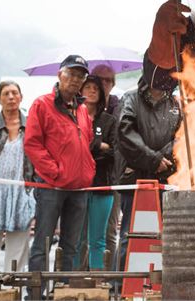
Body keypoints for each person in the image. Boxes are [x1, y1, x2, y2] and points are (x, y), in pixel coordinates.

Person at [24, 55, 95, 277]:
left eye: (80, 76)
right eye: (71, 74)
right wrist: (55, 172)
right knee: (42, 244)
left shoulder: (82, 109)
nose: (75, 80)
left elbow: (88, 139)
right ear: (60, 75)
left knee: (71, 247)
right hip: (51, 187)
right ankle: (37, 294)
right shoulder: (41, 104)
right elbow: (32, 144)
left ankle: (64, 292)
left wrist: (87, 170)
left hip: (79, 187)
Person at [116, 75, 181, 274]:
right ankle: (120, 285)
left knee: (164, 235)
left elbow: (181, 136)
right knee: (130, 234)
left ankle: (159, 285)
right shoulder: (130, 98)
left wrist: (162, 159)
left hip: (164, 178)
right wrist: (153, 160)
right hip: (135, 178)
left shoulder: (175, 105)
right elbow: (125, 133)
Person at [0, 81, 35, 272]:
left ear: (21, 97)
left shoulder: (32, 126)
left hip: (21, 193)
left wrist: (32, 189)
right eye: (6, 94)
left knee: (17, 258)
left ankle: (14, 291)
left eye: (14, 93)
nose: (11, 97)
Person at [74, 76, 117, 271]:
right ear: (79, 91)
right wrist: (99, 145)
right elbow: (71, 148)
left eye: (96, 89)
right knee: (77, 239)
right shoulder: (71, 116)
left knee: (98, 239)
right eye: (87, 87)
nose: (91, 91)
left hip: (102, 185)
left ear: (101, 94)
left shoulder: (109, 121)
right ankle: (72, 281)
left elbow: (114, 153)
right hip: (77, 186)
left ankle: (98, 282)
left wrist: (88, 149)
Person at [90, 64, 121, 272]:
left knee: (107, 232)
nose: (103, 84)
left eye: (108, 80)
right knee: (81, 233)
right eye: (98, 80)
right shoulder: (79, 109)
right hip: (83, 180)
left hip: (111, 178)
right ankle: (80, 276)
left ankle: (108, 278)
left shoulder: (118, 107)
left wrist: (97, 146)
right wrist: (98, 145)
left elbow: (116, 148)